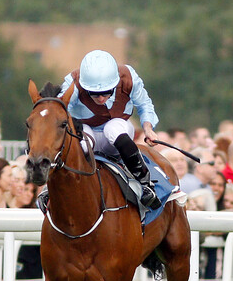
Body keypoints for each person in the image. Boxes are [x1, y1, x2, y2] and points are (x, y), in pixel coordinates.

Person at [59, 49, 161, 209]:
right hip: (86, 135)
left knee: (112, 128)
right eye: (94, 93)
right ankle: (52, 187)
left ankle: (145, 183)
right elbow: (59, 108)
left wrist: (148, 128)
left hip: (117, 137)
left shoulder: (128, 77)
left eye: (106, 92)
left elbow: (144, 104)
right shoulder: (74, 82)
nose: (100, 98)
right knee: (82, 136)